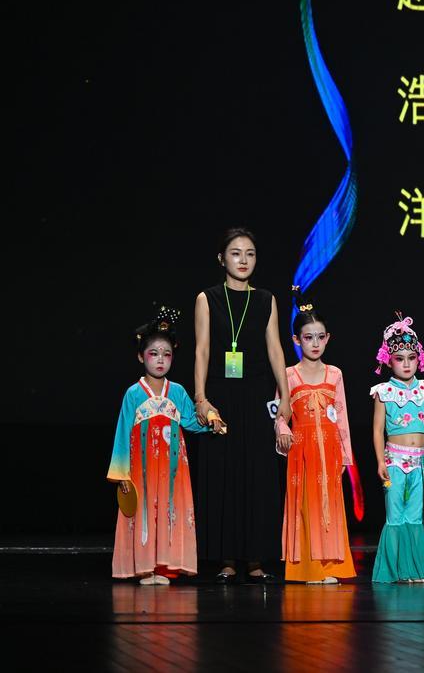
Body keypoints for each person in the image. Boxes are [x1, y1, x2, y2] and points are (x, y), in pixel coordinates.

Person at [192, 227, 292, 583]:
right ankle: (226, 558)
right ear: (222, 259)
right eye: (236, 253)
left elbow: (275, 349)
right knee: (223, 474)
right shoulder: (207, 298)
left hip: (256, 393)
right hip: (220, 394)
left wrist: (285, 396)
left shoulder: (265, 299)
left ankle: (255, 557)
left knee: (257, 474)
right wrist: (201, 397)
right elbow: (202, 349)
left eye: (250, 253)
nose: (243, 260)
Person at [109, 307, 212, 583]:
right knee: (144, 511)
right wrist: (121, 474)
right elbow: (122, 433)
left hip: (172, 469)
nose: (160, 360)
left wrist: (211, 421)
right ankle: (145, 567)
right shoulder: (133, 393)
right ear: (140, 356)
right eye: (153, 354)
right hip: (141, 469)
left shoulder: (177, 392)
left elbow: (191, 421)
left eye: (166, 355)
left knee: (169, 509)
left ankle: (166, 566)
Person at [276, 301, 356, 583]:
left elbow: (342, 416)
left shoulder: (335, 374)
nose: (315, 343)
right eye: (308, 337)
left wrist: (345, 455)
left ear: (328, 338)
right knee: (306, 505)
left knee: (329, 505)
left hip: (330, 449)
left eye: (320, 337)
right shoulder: (288, 375)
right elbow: (279, 412)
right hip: (302, 449)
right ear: (297, 339)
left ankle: (331, 566)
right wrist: (282, 428)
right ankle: (309, 568)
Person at [370, 314, 424, 583]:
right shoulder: (383, 391)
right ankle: (397, 571)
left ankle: (415, 570)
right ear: (388, 360)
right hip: (394, 460)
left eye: (411, 357)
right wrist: (380, 461)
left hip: (420, 462)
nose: (406, 363)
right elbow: (377, 430)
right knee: (395, 516)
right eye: (399, 358)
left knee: (415, 517)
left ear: (419, 359)